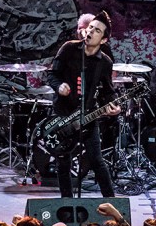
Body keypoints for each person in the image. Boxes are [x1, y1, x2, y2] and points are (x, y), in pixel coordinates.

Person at [46, 10, 118, 198]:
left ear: (104, 40)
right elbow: (52, 74)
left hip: (88, 116)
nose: (90, 32)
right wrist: (59, 86)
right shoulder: (68, 49)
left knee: (97, 161)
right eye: (90, 28)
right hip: (63, 113)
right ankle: (66, 203)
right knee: (63, 161)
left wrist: (115, 106)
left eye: (97, 30)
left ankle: (112, 203)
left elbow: (108, 91)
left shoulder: (105, 62)